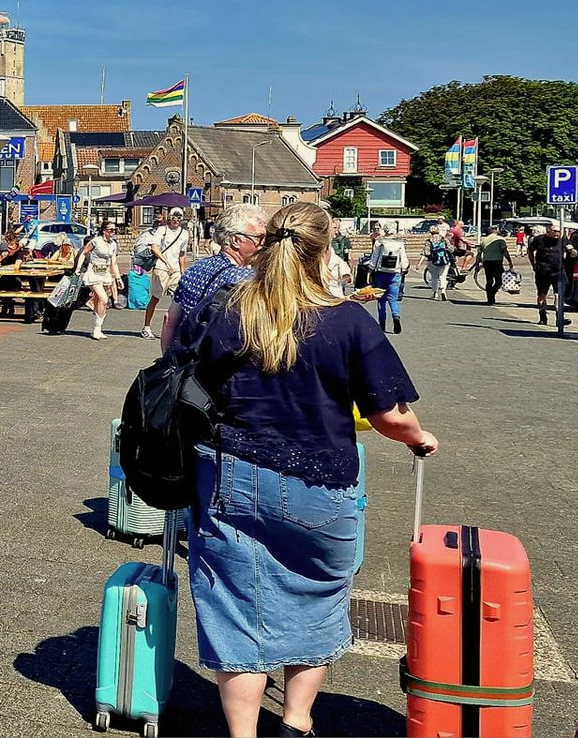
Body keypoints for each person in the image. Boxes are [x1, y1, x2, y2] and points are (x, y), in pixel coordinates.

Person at [186, 202, 438, 738]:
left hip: (232, 473)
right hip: (319, 481)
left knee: (235, 605)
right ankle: (296, 722)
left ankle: (242, 733)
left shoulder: (228, 309)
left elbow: (188, 379)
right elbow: (389, 416)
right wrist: (420, 438)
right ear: (324, 252)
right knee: (317, 597)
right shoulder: (347, 320)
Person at [160, 204, 266, 352]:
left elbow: (169, 320)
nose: (263, 244)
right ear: (235, 240)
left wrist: (168, 360)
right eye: (259, 238)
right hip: (220, 361)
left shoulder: (194, 269)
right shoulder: (246, 280)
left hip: (187, 358)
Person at [141, 207, 189, 340]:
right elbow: (154, 248)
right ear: (169, 218)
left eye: (179, 218)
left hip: (175, 270)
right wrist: (166, 262)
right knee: (156, 297)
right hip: (161, 267)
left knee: (177, 299)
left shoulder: (184, 233)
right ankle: (146, 327)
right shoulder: (162, 230)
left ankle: (175, 329)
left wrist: (182, 271)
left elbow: (182, 254)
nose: (176, 220)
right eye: (174, 217)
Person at [78, 220, 122, 340]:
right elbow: (84, 253)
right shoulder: (95, 241)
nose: (113, 232)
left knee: (99, 301)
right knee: (104, 299)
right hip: (94, 273)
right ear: (104, 230)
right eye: (111, 229)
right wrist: (78, 268)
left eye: (115, 230)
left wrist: (118, 278)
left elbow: (114, 263)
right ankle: (97, 329)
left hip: (105, 273)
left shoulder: (113, 244)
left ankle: (97, 328)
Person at [367, 224, 409, 333]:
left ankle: (382, 323)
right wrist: (404, 269)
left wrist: (370, 271)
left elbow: (375, 257)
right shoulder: (400, 243)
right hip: (395, 273)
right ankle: (396, 316)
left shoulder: (380, 242)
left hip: (381, 273)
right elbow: (404, 259)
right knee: (393, 299)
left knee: (381, 299)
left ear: (385, 230)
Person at [528, 223, 563, 325]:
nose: (557, 233)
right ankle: (543, 316)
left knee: (558, 295)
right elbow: (530, 251)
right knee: (542, 295)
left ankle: (559, 317)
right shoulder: (539, 240)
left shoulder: (562, 240)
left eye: (559, 231)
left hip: (557, 272)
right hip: (542, 272)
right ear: (548, 232)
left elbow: (568, 247)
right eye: (555, 231)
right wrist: (533, 264)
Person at [474, 224, 513, 305]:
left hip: (487, 262)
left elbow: (479, 253)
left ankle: (490, 298)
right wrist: (509, 261)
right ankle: (492, 293)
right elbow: (505, 251)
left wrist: (477, 264)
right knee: (499, 280)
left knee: (489, 281)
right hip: (497, 262)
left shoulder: (484, 240)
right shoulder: (500, 240)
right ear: (496, 230)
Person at [416, 225, 452, 301]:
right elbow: (451, 249)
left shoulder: (429, 241)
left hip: (432, 261)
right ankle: (443, 290)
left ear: (431, 232)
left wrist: (419, 263)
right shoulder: (443, 239)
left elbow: (426, 252)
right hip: (444, 260)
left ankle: (435, 293)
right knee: (443, 276)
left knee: (434, 277)